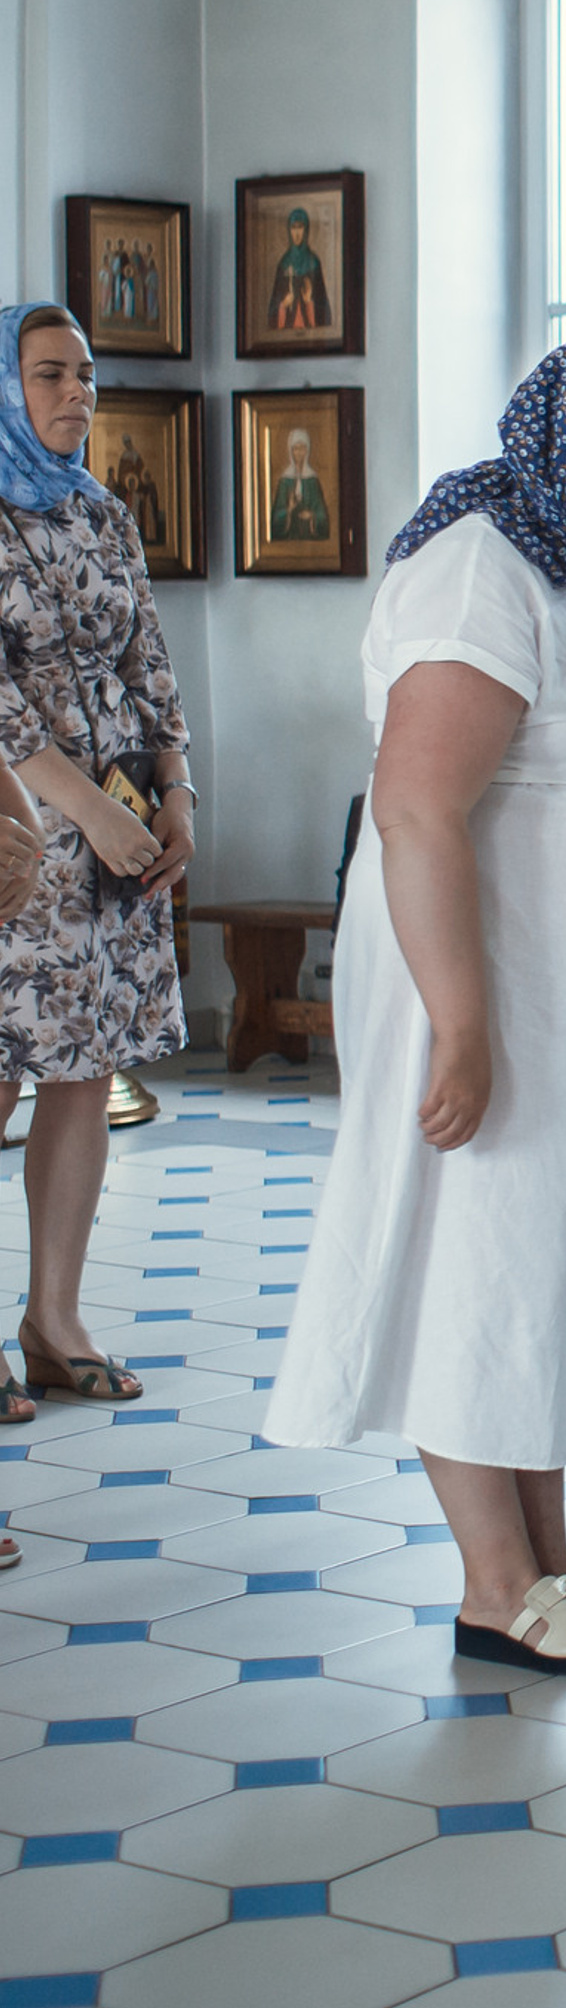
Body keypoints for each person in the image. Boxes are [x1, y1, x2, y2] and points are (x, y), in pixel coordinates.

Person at [265, 342, 566, 1677]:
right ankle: (492, 1581)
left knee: (553, 1252)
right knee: (483, 1253)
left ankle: (553, 1555)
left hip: (563, 978)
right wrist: (462, 1021)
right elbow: (414, 810)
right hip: (479, 972)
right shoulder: (479, 566)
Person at [0, 305, 192, 1435]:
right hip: (20, 835)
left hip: (122, 830)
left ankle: (54, 1320)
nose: (76, 394)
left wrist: (175, 796)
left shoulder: (104, 512)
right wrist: (84, 814)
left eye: (85, 375)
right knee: (6, 1071)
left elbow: (149, 663)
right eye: (48, 374)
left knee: (84, 1070)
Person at [267, 206, 331, 331]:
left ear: (306, 230)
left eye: (300, 227)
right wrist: (283, 304)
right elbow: (272, 312)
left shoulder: (314, 263)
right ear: (289, 230)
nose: (296, 233)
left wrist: (309, 301)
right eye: (293, 227)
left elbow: (324, 310)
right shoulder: (283, 264)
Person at [269, 428, 330, 542]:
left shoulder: (312, 480)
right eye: (295, 449)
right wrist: (288, 510)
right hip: (289, 538)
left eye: (302, 448)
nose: (299, 453)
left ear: (307, 450)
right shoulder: (284, 481)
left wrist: (312, 515)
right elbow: (275, 518)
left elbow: (322, 514)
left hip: (310, 538)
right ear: (290, 451)